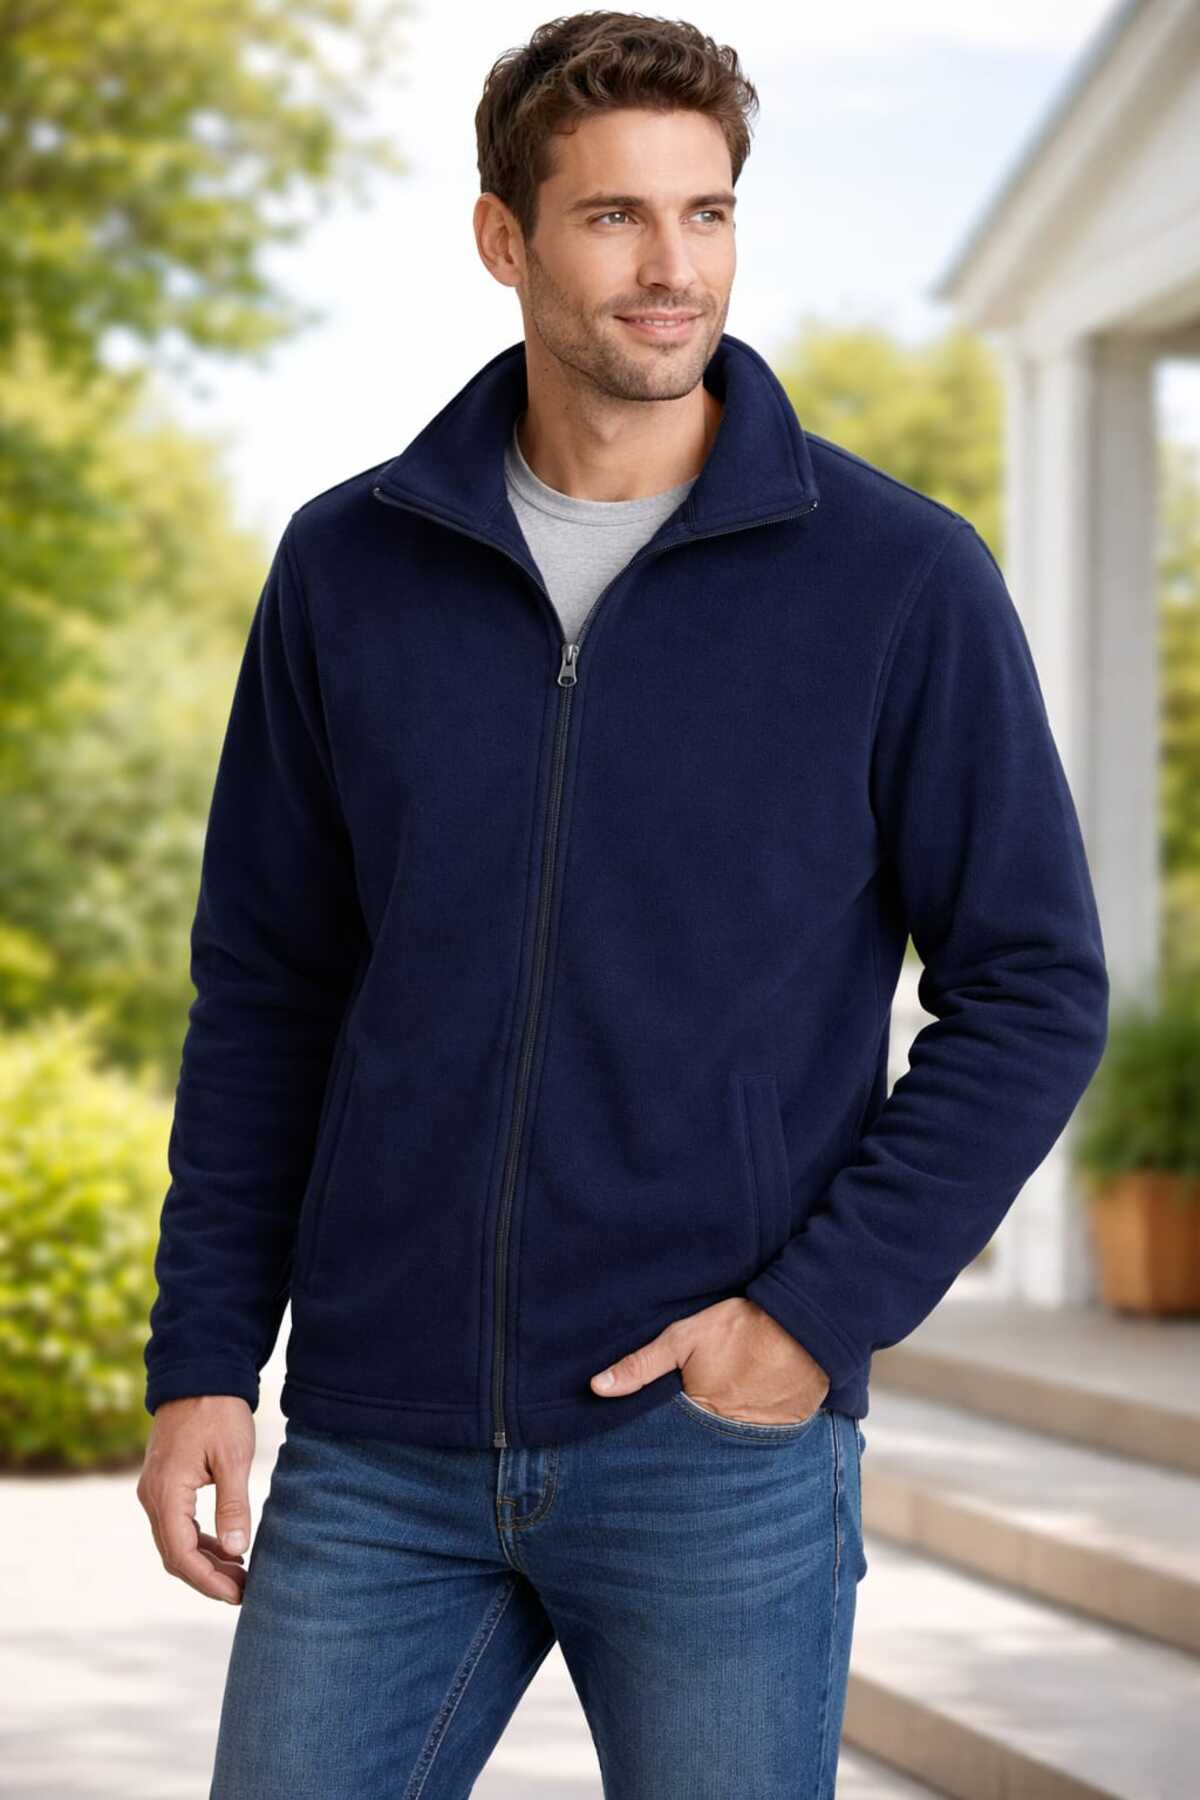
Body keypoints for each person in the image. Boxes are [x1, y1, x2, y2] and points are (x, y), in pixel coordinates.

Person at [136, 13, 1110, 1797]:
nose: (675, 267)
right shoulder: (350, 569)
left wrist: (812, 1317)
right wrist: (204, 1355)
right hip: (380, 1439)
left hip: (710, 1445)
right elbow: (268, 988)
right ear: (502, 238)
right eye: (614, 218)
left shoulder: (897, 580)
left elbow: (1036, 987)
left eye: (707, 212)